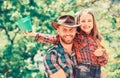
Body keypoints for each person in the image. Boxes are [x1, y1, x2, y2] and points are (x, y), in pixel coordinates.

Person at [22, 9, 108, 78]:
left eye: (89, 21)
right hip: (83, 69)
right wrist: (35, 34)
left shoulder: (97, 39)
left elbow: (103, 62)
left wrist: (100, 55)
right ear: (78, 24)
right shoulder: (76, 37)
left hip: (96, 69)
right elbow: (53, 39)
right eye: (83, 21)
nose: (86, 24)